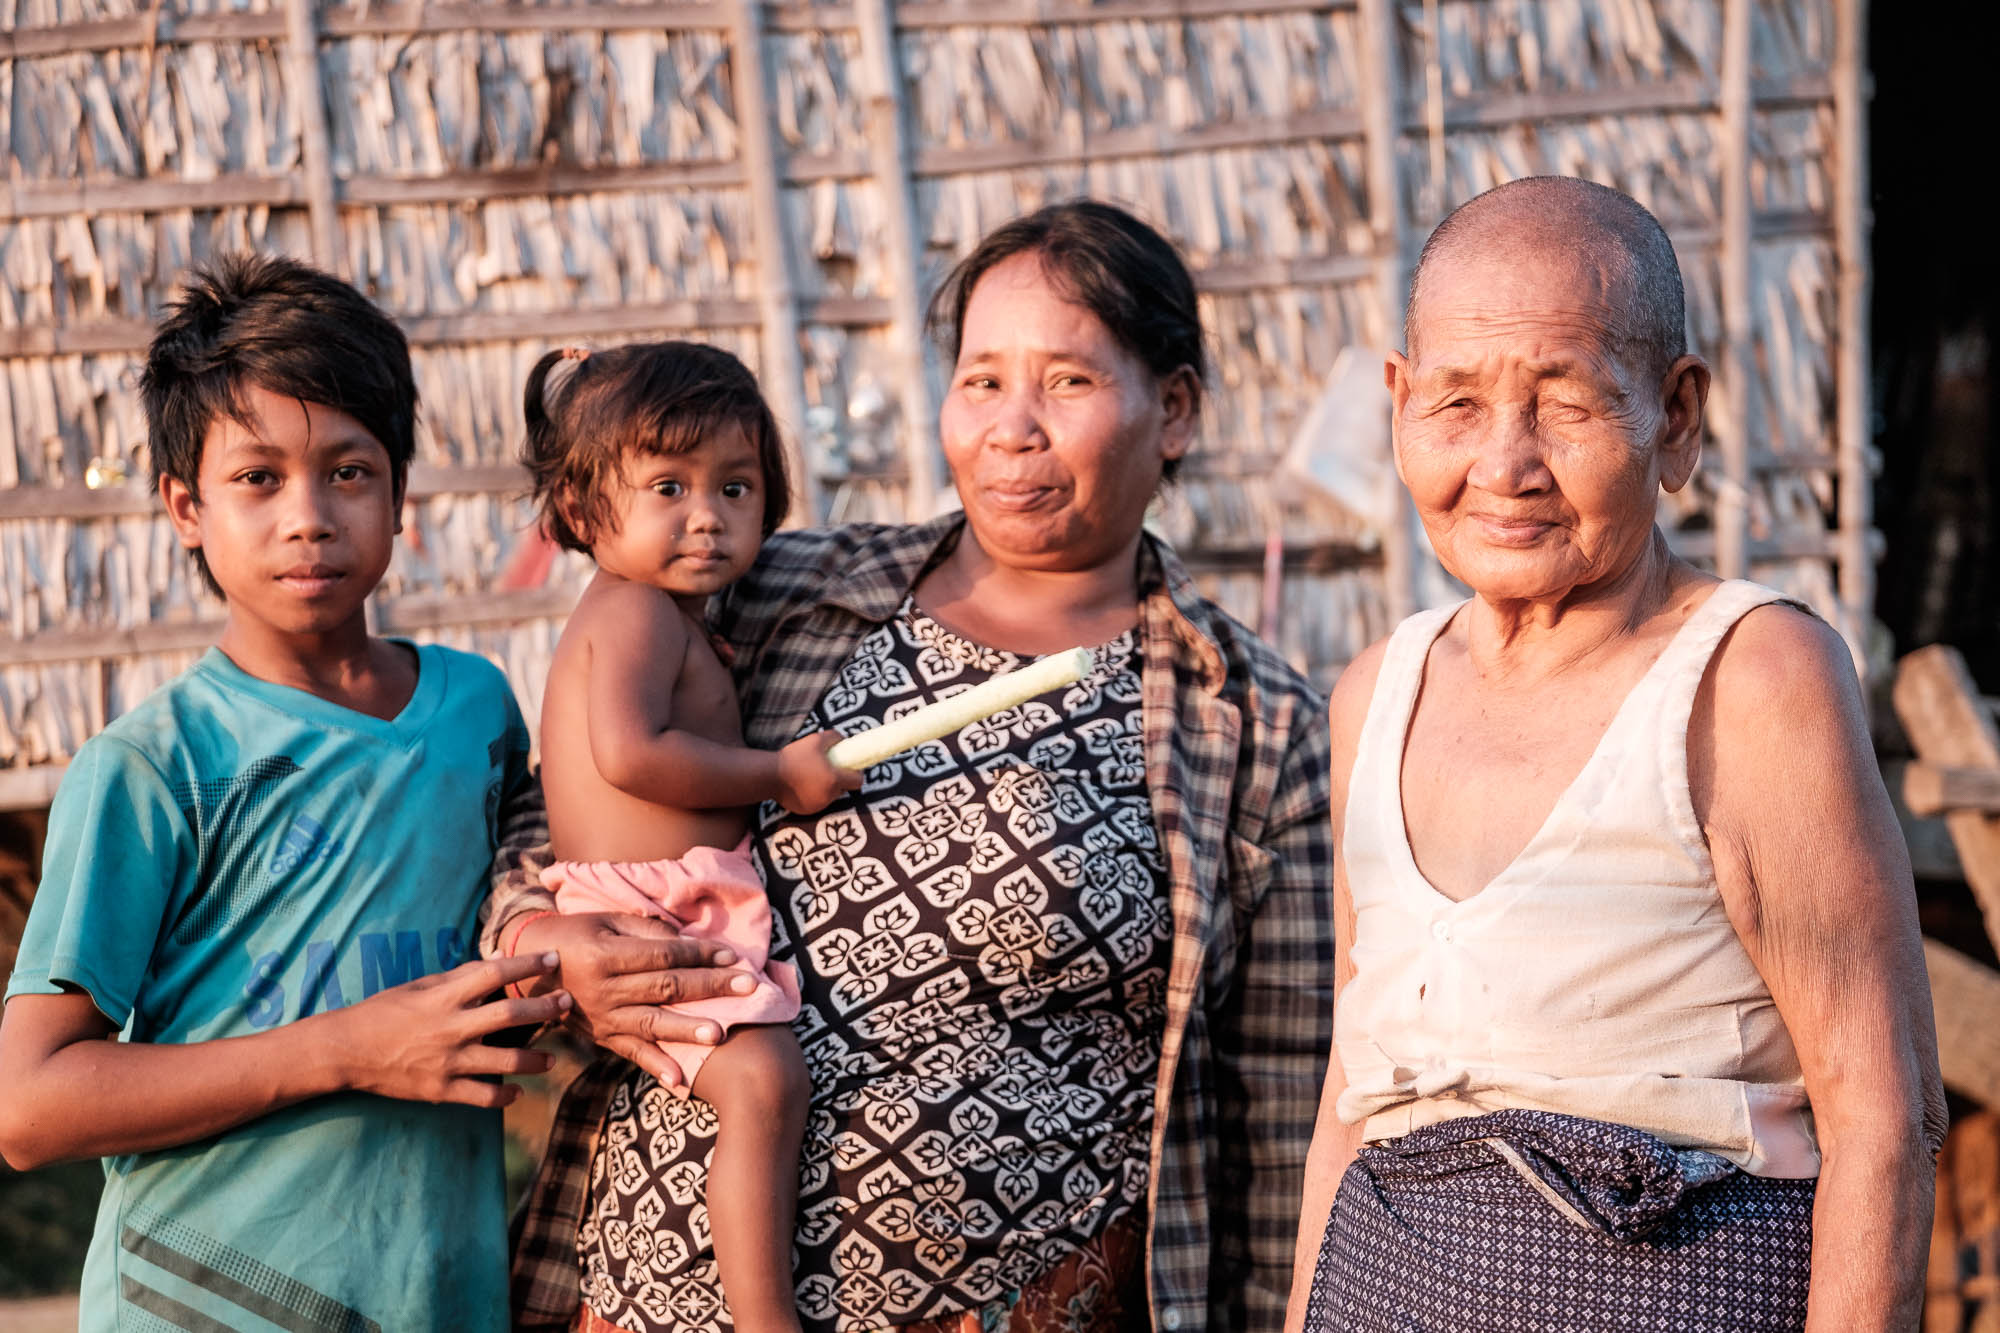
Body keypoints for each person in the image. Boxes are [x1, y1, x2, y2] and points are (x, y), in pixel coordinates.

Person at [483, 199, 1335, 1333]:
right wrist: (545, 937)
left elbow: (1282, 1124)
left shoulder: (1254, 723)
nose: (1012, 427)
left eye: (1067, 382)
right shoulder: (777, 592)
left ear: (1172, 409)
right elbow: (557, 808)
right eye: (982, 380)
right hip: (649, 1300)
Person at [1284, 177, 1947, 1333]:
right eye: (1454, 404)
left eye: (1565, 404)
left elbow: (1881, 1118)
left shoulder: (1750, 679)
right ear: (1397, 405)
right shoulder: (1373, 695)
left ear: (1674, 416)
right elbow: (1352, 1102)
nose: (1505, 465)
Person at [0, 253, 571, 1331]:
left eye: (348, 471)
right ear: (186, 506)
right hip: (199, 1304)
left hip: (433, 1298)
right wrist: (350, 1048)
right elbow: (29, 1103)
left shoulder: (475, 711)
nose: (308, 515)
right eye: (258, 478)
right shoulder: (155, 764)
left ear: (399, 494)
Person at [516, 339, 862, 1332]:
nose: (707, 514)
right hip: (644, 905)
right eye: (668, 486)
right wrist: (778, 773)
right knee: (763, 1079)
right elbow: (630, 752)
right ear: (582, 510)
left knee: (762, 1077)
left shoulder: (670, 611)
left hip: (665, 891)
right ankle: (764, 1317)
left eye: (735, 487)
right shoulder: (635, 610)